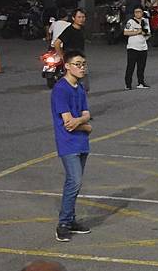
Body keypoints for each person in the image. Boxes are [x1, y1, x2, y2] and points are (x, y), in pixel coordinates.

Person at [51, 50, 92, 242]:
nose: (82, 67)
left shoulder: (80, 88)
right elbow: (68, 123)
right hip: (68, 143)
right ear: (67, 66)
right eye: (77, 64)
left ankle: (72, 219)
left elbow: (86, 113)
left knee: (75, 183)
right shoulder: (61, 89)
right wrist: (86, 125)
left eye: (83, 64)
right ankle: (64, 223)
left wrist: (83, 121)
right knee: (74, 182)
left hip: (82, 142)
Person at [54, 9, 89, 92]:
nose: (81, 19)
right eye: (79, 17)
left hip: (81, 60)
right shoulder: (69, 30)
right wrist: (62, 56)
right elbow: (57, 43)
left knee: (84, 87)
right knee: (74, 85)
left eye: (83, 17)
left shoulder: (81, 29)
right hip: (72, 61)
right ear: (73, 18)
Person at [124, 7, 150, 90]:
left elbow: (148, 33)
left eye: (139, 12)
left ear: (142, 13)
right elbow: (125, 32)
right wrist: (137, 32)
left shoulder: (145, 21)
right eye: (136, 12)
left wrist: (145, 34)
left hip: (143, 47)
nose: (137, 13)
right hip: (132, 47)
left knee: (141, 67)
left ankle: (141, 83)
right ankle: (128, 84)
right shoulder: (130, 22)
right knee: (130, 66)